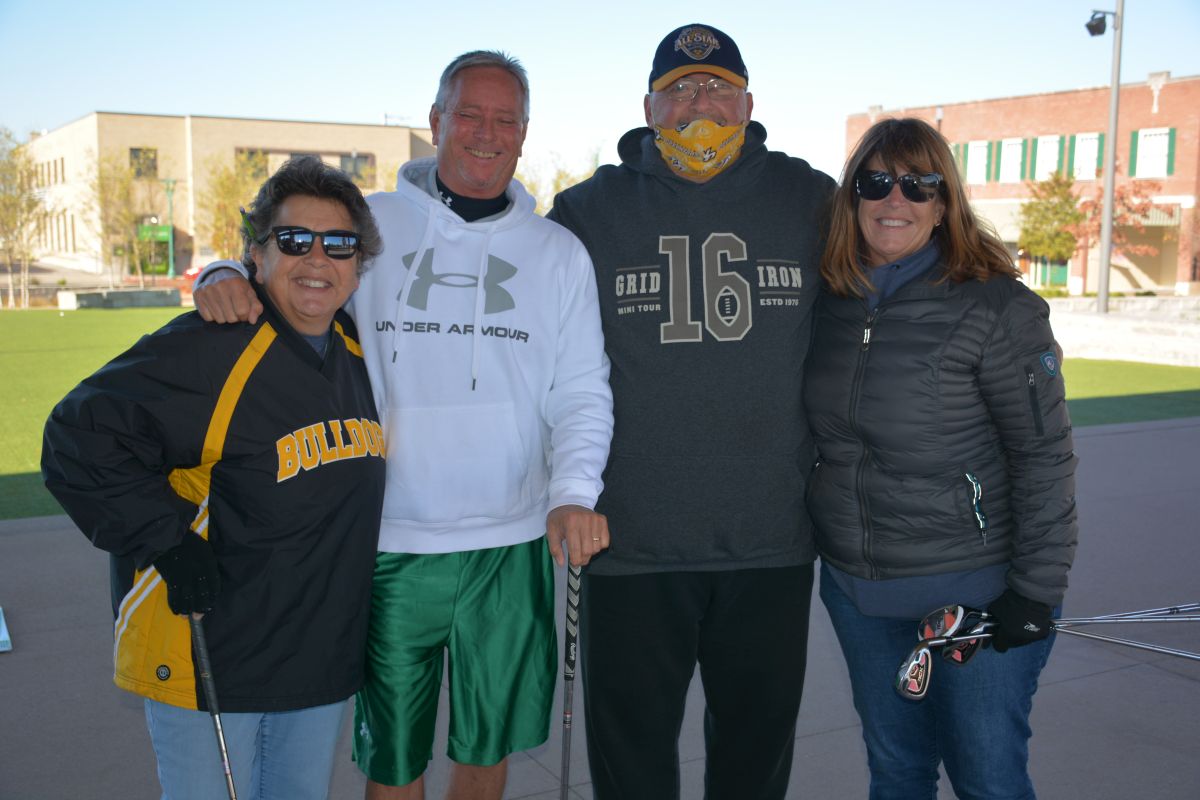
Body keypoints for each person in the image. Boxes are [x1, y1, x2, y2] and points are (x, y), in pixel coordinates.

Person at [191, 51, 613, 800]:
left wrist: (574, 491)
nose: (486, 133)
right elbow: (289, 261)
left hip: (509, 541)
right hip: (386, 539)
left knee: (487, 749)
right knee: (392, 757)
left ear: (524, 132)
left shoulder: (559, 254)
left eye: (506, 119)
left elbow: (581, 388)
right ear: (436, 120)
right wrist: (222, 272)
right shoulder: (373, 221)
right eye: (469, 114)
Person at [547, 24, 835, 799]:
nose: (699, 103)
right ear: (649, 108)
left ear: (748, 103)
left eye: (716, 87)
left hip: (769, 544)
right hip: (629, 546)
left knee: (753, 768)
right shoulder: (587, 211)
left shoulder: (811, 199)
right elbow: (491, 271)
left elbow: (905, 259)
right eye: (679, 89)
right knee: (631, 773)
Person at [42, 155, 388, 799]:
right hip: (212, 654)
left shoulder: (361, 353)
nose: (317, 259)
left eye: (339, 244)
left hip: (316, 659)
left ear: (358, 262)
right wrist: (165, 541)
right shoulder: (212, 346)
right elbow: (76, 437)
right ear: (257, 254)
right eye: (294, 240)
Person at [804, 117, 1078, 799]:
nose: (894, 199)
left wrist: (1035, 592)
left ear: (944, 201)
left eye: (918, 184)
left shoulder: (998, 307)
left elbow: (1044, 456)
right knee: (897, 772)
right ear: (852, 197)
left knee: (987, 780)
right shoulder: (826, 302)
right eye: (876, 182)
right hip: (861, 594)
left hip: (975, 597)